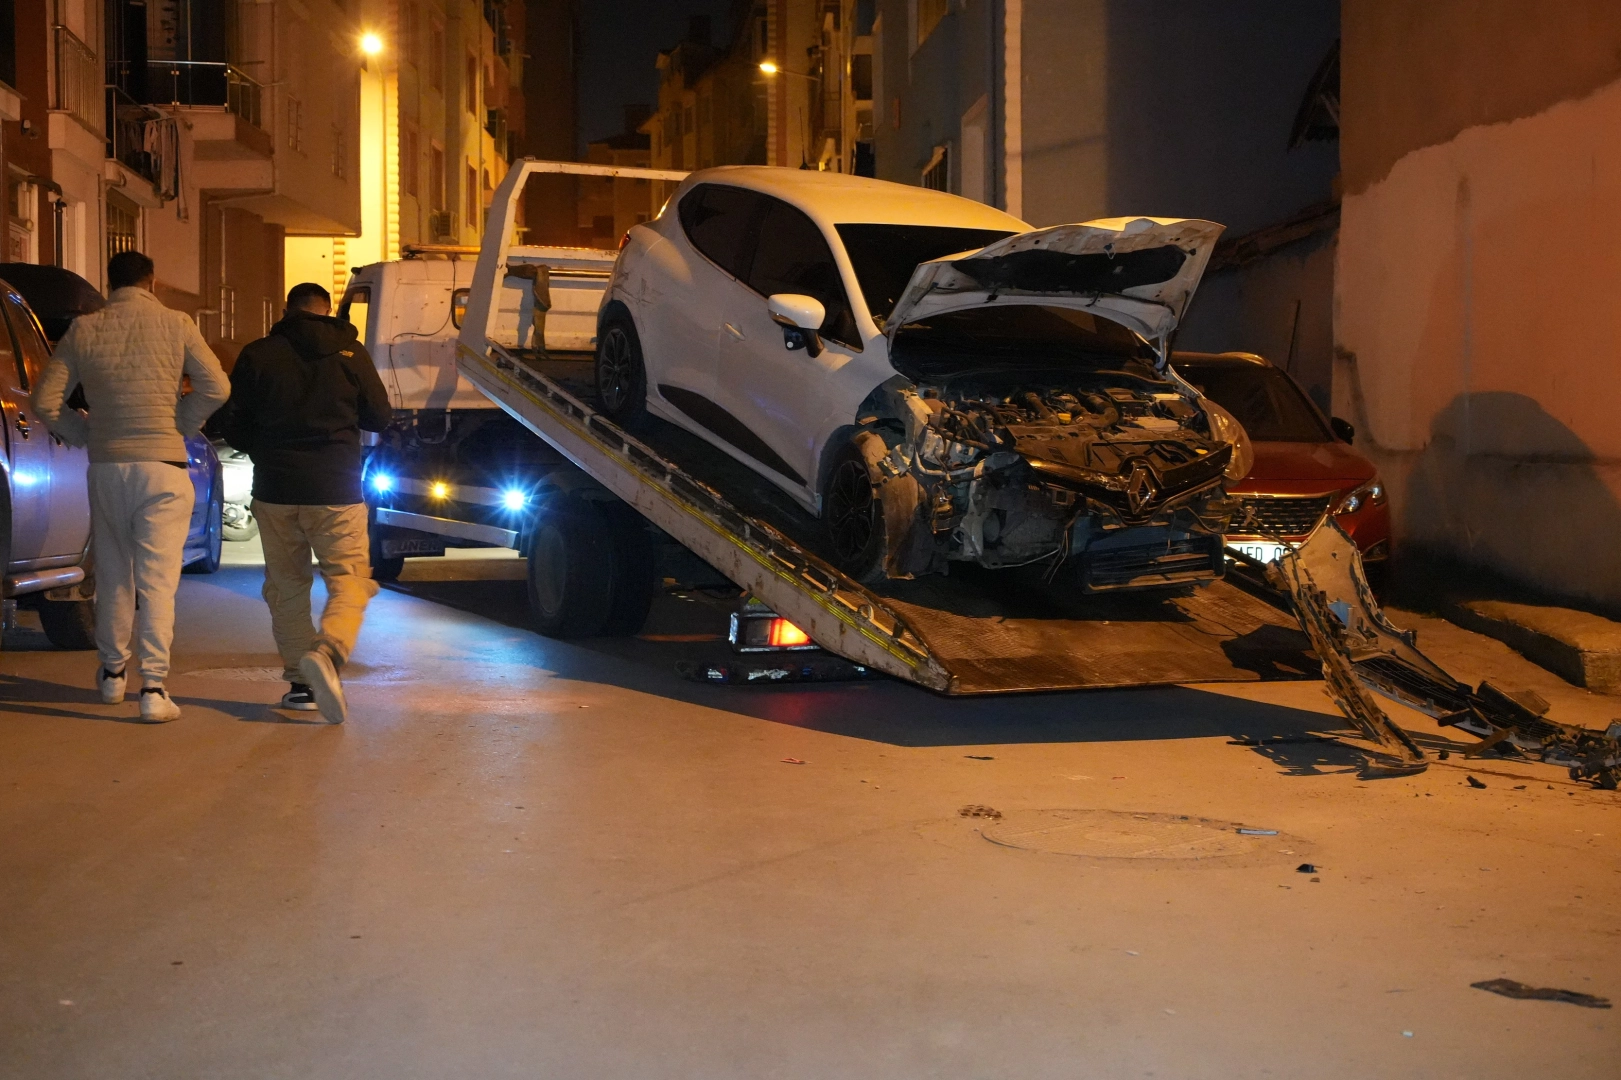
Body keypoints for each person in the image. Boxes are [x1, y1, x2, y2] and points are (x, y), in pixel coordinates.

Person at [31, 250, 229, 722]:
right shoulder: (177, 324)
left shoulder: (84, 330)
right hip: (163, 466)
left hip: (108, 467)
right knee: (157, 583)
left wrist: (85, 434)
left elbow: (44, 400)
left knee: (114, 574)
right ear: (151, 282)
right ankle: (154, 689)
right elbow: (217, 387)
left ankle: (112, 674)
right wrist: (181, 422)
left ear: (109, 283)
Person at [217, 282, 392, 723]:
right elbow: (380, 416)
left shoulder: (259, 354)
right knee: (349, 578)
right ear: (327, 310)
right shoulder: (350, 353)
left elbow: (231, 423)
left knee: (287, 586)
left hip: (275, 489)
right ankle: (328, 650)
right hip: (336, 489)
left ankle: (301, 685)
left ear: (287, 310)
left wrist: (264, 446)